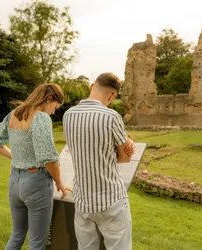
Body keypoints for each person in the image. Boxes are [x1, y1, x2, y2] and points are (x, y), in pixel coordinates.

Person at [0, 83, 71, 250]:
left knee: (17, 234)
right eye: (55, 107)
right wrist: (59, 182)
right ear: (49, 99)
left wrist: (15, 157)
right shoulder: (41, 117)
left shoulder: (14, 114)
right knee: (37, 242)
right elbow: (48, 158)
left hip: (14, 183)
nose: (53, 112)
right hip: (36, 183)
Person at [63, 72, 135, 250]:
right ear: (112, 95)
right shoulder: (111, 117)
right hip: (111, 199)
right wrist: (129, 143)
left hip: (82, 200)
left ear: (92, 86)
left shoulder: (68, 115)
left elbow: (76, 149)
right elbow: (125, 158)